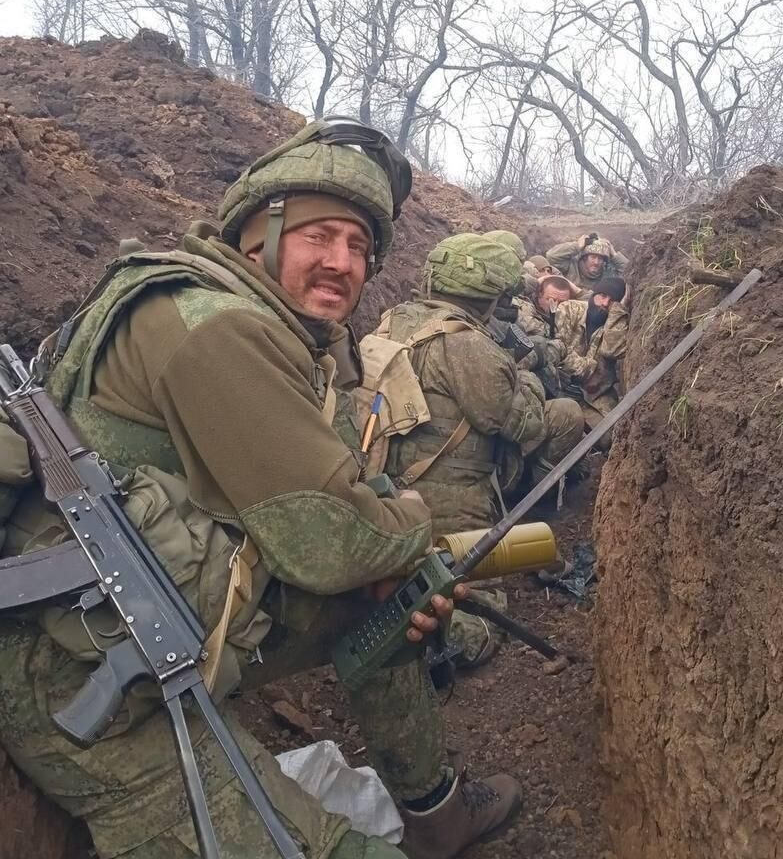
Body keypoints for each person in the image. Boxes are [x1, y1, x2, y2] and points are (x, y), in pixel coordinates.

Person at [0, 121, 519, 859]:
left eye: (360, 247)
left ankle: (434, 811)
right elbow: (335, 539)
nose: (343, 262)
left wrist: (389, 555)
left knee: (389, 599)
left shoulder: (247, 317)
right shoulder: (214, 328)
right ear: (258, 234)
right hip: (80, 681)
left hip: (148, 617)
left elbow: (337, 501)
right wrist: (413, 521)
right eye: (321, 236)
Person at [372, 233, 583, 666]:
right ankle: (429, 646)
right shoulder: (468, 343)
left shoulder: (395, 318)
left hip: (384, 480)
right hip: (450, 490)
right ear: (489, 296)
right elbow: (523, 422)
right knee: (482, 612)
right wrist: (523, 377)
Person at [555, 275, 629, 449]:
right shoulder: (569, 310)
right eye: (602, 296)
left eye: (612, 301)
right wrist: (588, 368)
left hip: (593, 396)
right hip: (560, 387)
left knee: (610, 438)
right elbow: (558, 350)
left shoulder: (615, 323)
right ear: (593, 294)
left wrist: (618, 310)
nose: (604, 304)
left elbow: (612, 350)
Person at [514, 274, 578, 397]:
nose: (557, 306)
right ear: (538, 295)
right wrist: (536, 282)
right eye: (551, 299)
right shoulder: (526, 312)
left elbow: (588, 299)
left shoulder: (563, 316)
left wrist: (574, 287)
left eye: (563, 302)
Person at [545, 233, 629, 298]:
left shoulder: (608, 272)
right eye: (593, 257)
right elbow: (551, 256)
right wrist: (577, 246)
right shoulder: (572, 266)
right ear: (584, 258)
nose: (596, 262)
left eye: (600, 259)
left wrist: (614, 255)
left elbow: (631, 273)